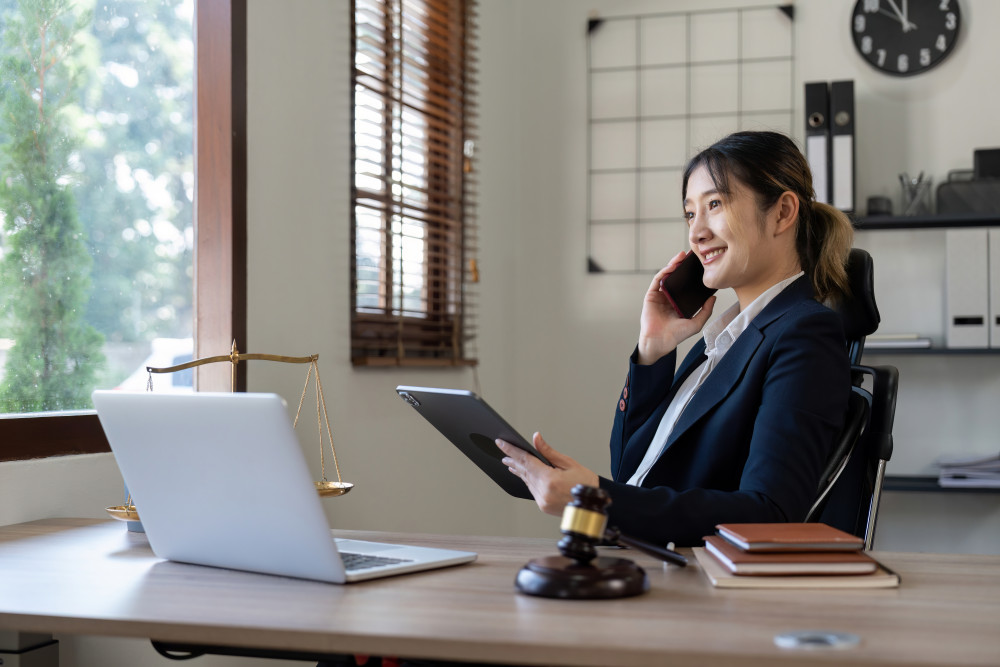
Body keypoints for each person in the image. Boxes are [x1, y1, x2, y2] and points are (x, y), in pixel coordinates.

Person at [497, 130, 855, 547]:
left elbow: (769, 513)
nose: (696, 233)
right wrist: (655, 346)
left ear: (782, 212)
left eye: (715, 205)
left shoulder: (804, 334)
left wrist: (595, 499)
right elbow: (634, 468)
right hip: (652, 559)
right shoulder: (724, 339)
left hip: (708, 589)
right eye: (690, 214)